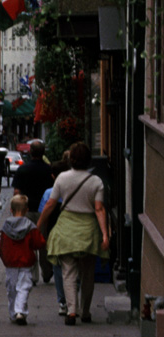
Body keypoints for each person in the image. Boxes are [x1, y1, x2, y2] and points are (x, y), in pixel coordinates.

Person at [37, 141, 109, 325]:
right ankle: (85, 311)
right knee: (87, 273)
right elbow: (99, 209)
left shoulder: (62, 178)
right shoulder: (96, 181)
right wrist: (105, 234)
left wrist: (40, 224)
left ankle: (71, 311)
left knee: (68, 271)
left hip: (67, 226)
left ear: (71, 160)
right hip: (88, 229)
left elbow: (51, 204)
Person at [0, 192, 47, 325]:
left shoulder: (6, 226)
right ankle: (20, 310)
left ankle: (13, 313)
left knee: (11, 288)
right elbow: (39, 243)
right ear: (26, 210)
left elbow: (2, 246)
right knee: (24, 287)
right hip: (26, 261)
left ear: (11, 210)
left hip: (10, 262)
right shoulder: (30, 226)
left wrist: (4, 258)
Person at [11, 139, 54, 283]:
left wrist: (16, 210)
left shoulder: (23, 169)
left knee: (28, 243)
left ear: (30, 152)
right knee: (43, 241)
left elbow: (17, 191)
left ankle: (33, 275)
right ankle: (47, 271)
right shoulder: (49, 170)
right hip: (44, 210)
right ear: (43, 153)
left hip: (26, 209)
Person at [37, 160, 71, 318]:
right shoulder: (72, 190)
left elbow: (44, 213)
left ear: (53, 176)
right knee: (73, 266)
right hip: (71, 230)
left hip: (54, 232)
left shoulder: (48, 193)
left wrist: (40, 230)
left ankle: (62, 301)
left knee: (57, 266)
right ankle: (73, 297)